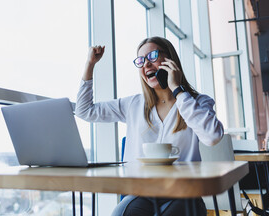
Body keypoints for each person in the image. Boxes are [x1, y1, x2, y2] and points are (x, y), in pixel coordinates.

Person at [75, 36, 224, 216]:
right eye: (141, 60)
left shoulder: (197, 102)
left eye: (153, 56)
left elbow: (213, 136)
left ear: (170, 60)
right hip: (142, 193)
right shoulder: (134, 105)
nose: (146, 64)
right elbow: (84, 111)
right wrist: (90, 64)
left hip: (184, 193)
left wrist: (177, 90)